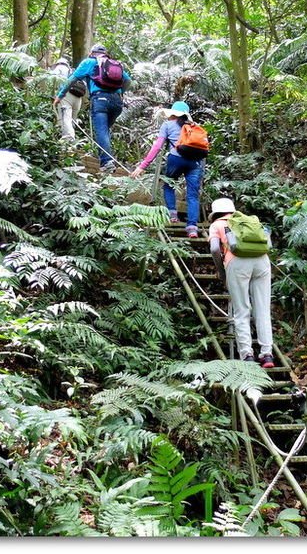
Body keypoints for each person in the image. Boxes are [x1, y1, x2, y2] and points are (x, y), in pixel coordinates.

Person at [208, 197, 275, 368]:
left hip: (237, 263)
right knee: (262, 309)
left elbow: (215, 249)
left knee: (242, 310)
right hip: (262, 262)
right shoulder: (248, 221)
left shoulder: (216, 225)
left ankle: (247, 355)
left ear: (215, 212)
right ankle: (267, 354)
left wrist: (222, 271)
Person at [130, 101, 203, 237]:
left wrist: (142, 166)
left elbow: (157, 147)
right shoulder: (194, 126)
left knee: (168, 186)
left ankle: (172, 214)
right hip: (195, 163)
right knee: (193, 195)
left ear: (172, 114)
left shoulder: (168, 125)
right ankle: (192, 227)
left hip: (176, 159)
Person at [53, 44, 131, 172]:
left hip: (100, 100)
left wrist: (60, 95)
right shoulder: (115, 64)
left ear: (91, 53)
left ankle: (107, 162)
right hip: (117, 102)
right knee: (105, 131)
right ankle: (106, 158)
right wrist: (121, 92)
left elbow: (72, 79)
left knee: (101, 131)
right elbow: (128, 81)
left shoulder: (89, 62)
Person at [51, 57, 83, 140]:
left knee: (65, 117)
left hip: (66, 95)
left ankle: (68, 141)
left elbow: (51, 77)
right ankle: (75, 139)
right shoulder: (73, 70)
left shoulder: (59, 68)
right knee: (73, 119)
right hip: (78, 96)